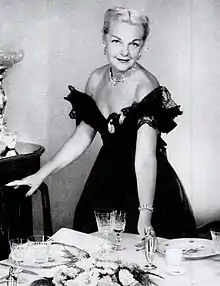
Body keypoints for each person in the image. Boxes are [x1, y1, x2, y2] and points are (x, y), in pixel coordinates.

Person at [7, 7, 196, 239]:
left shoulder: (146, 85)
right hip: (106, 178)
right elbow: (82, 136)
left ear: (142, 48)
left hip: (146, 184)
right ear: (104, 40)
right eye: (117, 41)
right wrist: (41, 174)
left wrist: (145, 213)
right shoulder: (96, 79)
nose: (125, 52)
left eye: (134, 44)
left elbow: (145, 157)